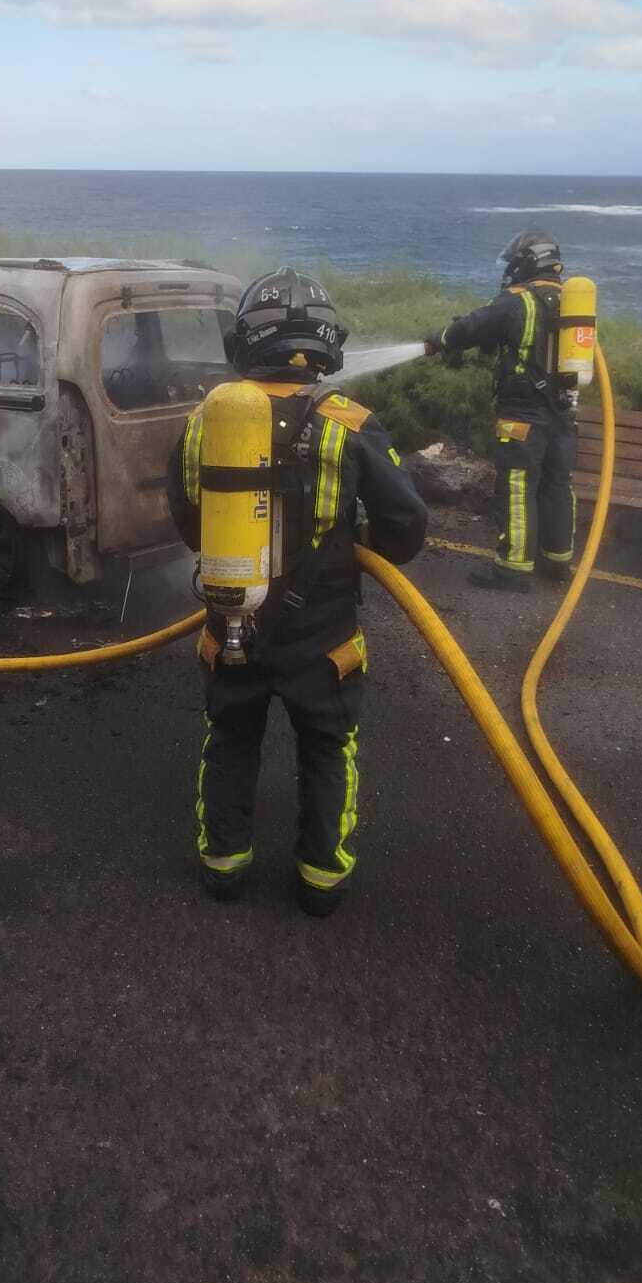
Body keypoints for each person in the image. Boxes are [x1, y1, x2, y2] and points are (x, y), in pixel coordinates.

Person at [166, 268, 427, 918]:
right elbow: (406, 526)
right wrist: (361, 545)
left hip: (232, 621)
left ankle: (224, 867)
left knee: (231, 739)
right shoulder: (349, 424)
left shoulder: (205, 421)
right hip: (323, 638)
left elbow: (188, 519)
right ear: (327, 342)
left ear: (244, 343)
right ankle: (320, 880)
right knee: (326, 748)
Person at [424, 229, 577, 593]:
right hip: (563, 414)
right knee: (557, 485)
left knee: (517, 488)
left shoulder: (517, 300)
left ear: (527, 263)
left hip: (524, 414)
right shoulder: (570, 303)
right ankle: (557, 562)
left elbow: (471, 328)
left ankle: (513, 570)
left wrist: (439, 340)